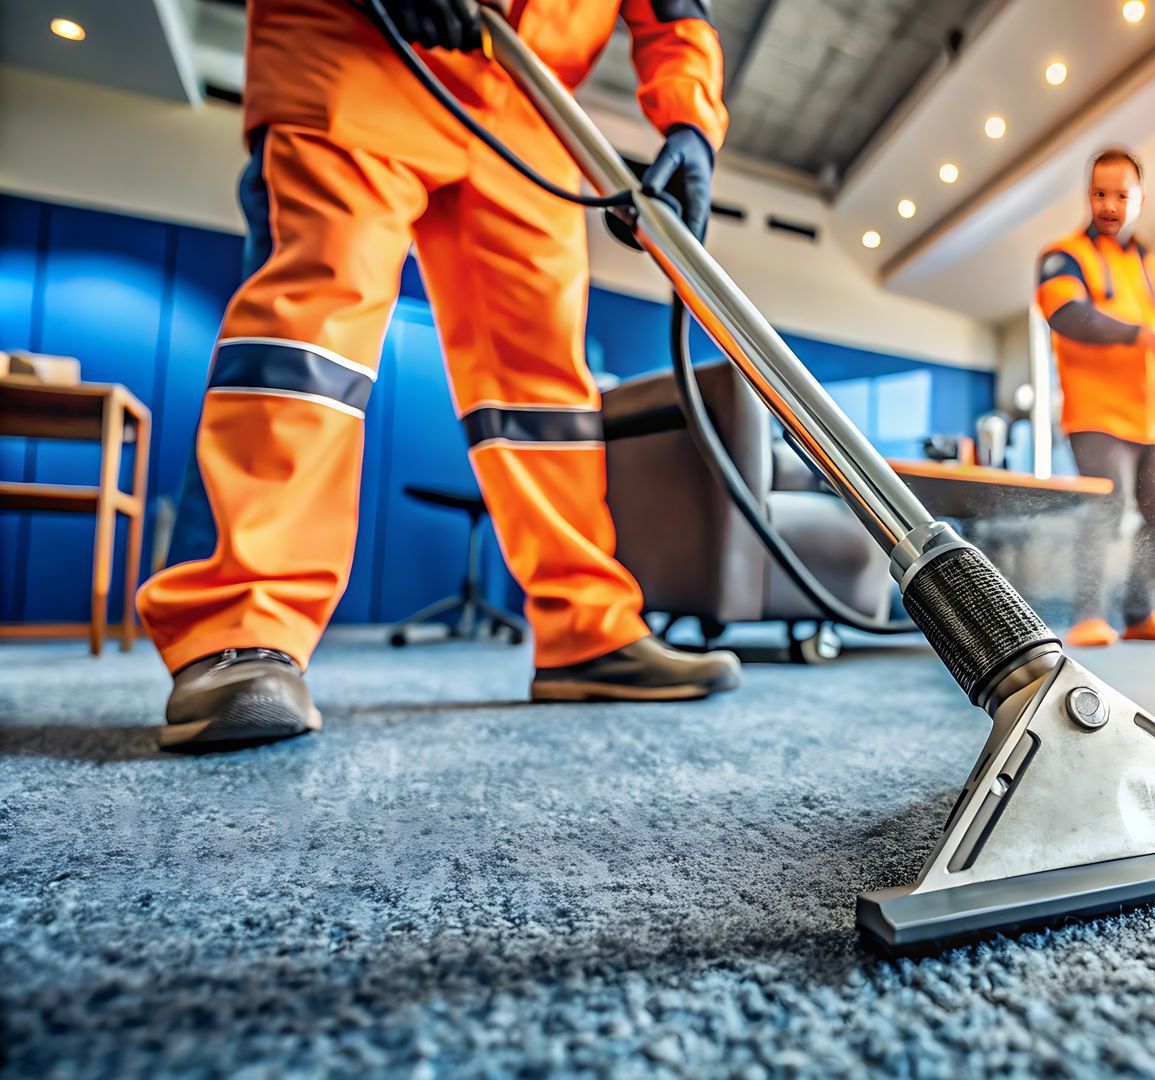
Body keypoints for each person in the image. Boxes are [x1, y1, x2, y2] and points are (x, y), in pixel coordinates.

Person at [137, 0, 741, 754]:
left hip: (523, 100)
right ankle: (241, 629)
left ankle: (589, 631)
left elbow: (675, 11)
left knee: (546, 386)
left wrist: (691, 122)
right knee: (315, 329)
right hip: (357, 42)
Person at [1033, 148, 1155, 648]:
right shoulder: (1064, 256)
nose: (1109, 205)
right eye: (1100, 193)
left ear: (1140, 199)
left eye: (1121, 195)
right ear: (1089, 196)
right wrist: (1134, 336)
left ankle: (1142, 614)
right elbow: (1068, 316)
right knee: (1107, 506)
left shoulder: (1150, 267)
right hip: (1099, 414)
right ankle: (1087, 616)